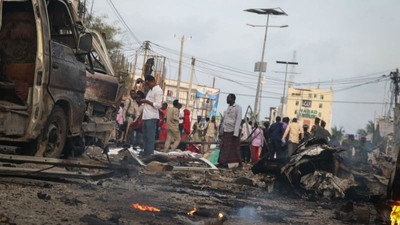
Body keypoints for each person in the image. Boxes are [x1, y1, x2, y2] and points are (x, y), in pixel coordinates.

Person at [140, 75, 163, 156]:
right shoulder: (151, 90)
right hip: (146, 116)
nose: (148, 86)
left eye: (148, 84)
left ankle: (149, 154)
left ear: (153, 82)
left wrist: (147, 101)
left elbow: (158, 105)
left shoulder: (158, 90)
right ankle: (146, 152)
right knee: (145, 137)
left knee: (150, 137)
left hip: (152, 117)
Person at [218, 94, 242, 167]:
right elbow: (225, 120)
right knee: (224, 147)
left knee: (234, 148)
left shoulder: (238, 107)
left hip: (233, 131)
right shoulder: (228, 108)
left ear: (233, 99)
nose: (227, 99)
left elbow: (238, 120)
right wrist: (222, 130)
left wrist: (236, 133)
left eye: (228, 98)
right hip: (226, 130)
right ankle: (222, 162)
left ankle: (236, 163)